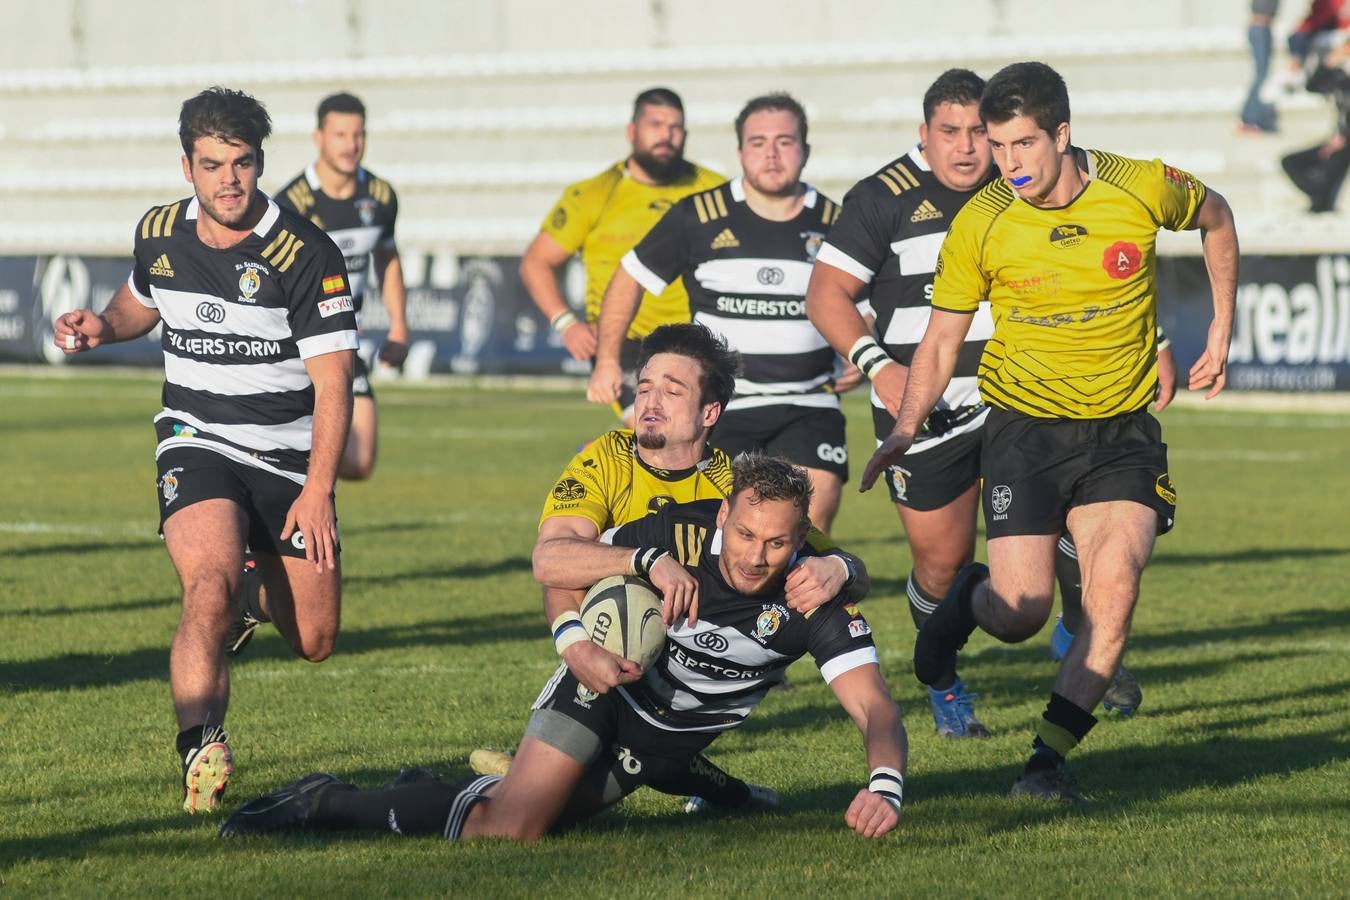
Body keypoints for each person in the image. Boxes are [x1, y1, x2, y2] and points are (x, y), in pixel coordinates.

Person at [860, 62, 1237, 803]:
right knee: (1019, 612)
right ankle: (968, 598)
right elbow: (940, 342)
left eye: (1024, 144)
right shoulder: (984, 217)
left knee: (1112, 593)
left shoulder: (1140, 186)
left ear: (1062, 134)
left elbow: (1216, 215)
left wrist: (1223, 324)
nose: (1009, 164)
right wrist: (905, 426)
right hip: (1026, 432)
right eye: (999, 146)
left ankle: (1044, 766)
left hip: (1122, 433)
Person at [221, 455, 906, 842]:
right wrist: (580, 642)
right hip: (600, 688)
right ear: (724, 514)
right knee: (508, 832)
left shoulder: (811, 597)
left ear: (803, 539)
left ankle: (426, 794)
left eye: (779, 543)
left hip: (656, 746)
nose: (758, 557)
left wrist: (885, 785)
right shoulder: (673, 538)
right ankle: (324, 803)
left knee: (535, 822)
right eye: (748, 534)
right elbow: (559, 567)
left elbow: (875, 709)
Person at [806, 70, 1167, 737]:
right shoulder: (882, 198)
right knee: (943, 566)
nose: (971, 148)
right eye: (951, 132)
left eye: (982, 132)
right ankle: (944, 681)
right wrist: (878, 366)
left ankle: (1084, 638)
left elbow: (1094, 270)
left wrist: (1159, 337)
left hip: (1030, 407)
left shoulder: (1034, 187)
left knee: (1078, 538)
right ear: (924, 135)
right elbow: (826, 293)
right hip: (931, 412)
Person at [52, 87, 357, 813]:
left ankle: (255, 597)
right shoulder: (159, 232)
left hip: (287, 460)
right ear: (186, 165)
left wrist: (317, 492)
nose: (230, 180)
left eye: (243, 164)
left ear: (259, 164)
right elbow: (140, 301)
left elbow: (335, 385)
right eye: (213, 164)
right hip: (196, 438)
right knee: (206, 583)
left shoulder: (305, 252)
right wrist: (102, 324)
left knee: (315, 640)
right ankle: (201, 750)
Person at [482, 322, 863, 814]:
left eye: (671, 390)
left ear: (710, 411)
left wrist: (842, 567)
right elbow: (551, 558)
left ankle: (710, 787)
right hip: (605, 650)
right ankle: (722, 792)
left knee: (561, 798)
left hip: (700, 676)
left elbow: (825, 556)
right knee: (539, 812)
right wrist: (634, 574)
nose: (650, 401)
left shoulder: (735, 483)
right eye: (644, 388)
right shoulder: (606, 458)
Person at [589, 93, 851, 532]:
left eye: (785, 141)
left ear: (805, 149)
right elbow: (630, 275)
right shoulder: (699, 216)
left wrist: (860, 354)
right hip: (722, 405)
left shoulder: (836, 221)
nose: (771, 153)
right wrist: (606, 360)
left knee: (810, 519)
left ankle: (793, 603)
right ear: (739, 152)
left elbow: (864, 304)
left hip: (809, 399)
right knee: (720, 528)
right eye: (758, 142)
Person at [520, 88, 724, 423]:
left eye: (675, 128)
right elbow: (536, 261)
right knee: (660, 430)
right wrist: (566, 323)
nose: (666, 135)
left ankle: (604, 461)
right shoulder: (596, 193)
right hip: (629, 342)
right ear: (632, 131)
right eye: (655, 124)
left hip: (700, 339)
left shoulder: (713, 190)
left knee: (701, 443)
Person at [274, 92, 407, 480]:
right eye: (340, 135)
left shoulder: (381, 197)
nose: (351, 145)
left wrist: (399, 326)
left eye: (358, 134)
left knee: (359, 461)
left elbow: (388, 259)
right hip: (296, 344)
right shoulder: (292, 203)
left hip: (347, 342)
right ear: (319, 138)